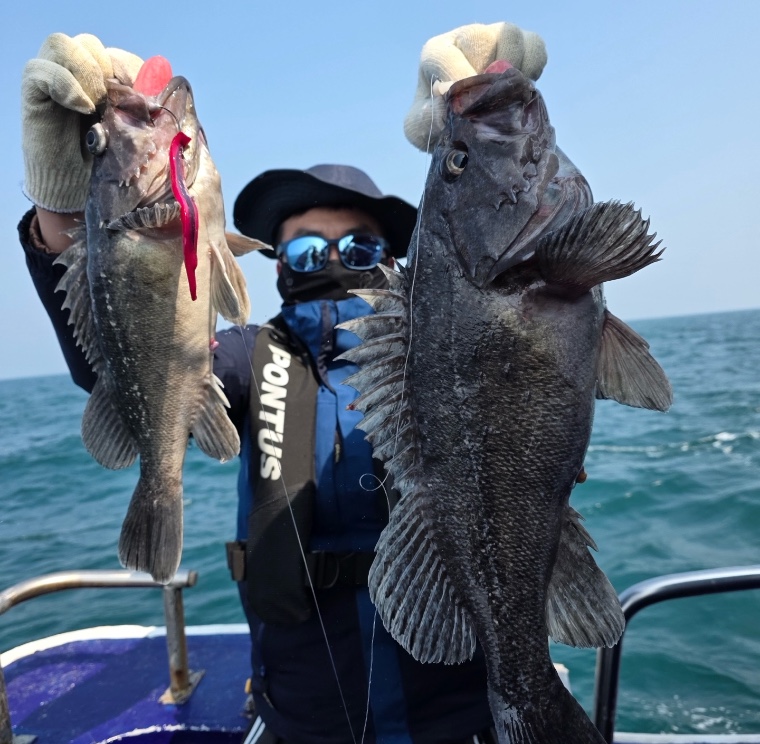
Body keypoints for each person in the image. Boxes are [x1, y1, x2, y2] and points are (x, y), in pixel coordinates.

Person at [19, 23, 547, 744]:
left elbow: (523, 321)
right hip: (302, 707)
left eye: (356, 246)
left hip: (454, 703)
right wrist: (59, 206)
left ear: (391, 258)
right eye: (304, 248)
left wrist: (494, 134)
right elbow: (115, 365)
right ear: (273, 265)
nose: (328, 260)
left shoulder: (442, 345)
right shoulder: (247, 356)